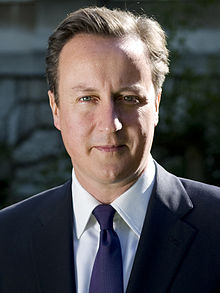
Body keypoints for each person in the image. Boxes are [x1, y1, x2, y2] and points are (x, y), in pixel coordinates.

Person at [0, 6, 220, 293]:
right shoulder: (7, 238)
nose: (110, 124)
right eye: (88, 98)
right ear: (56, 108)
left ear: (155, 104)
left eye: (128, 98)